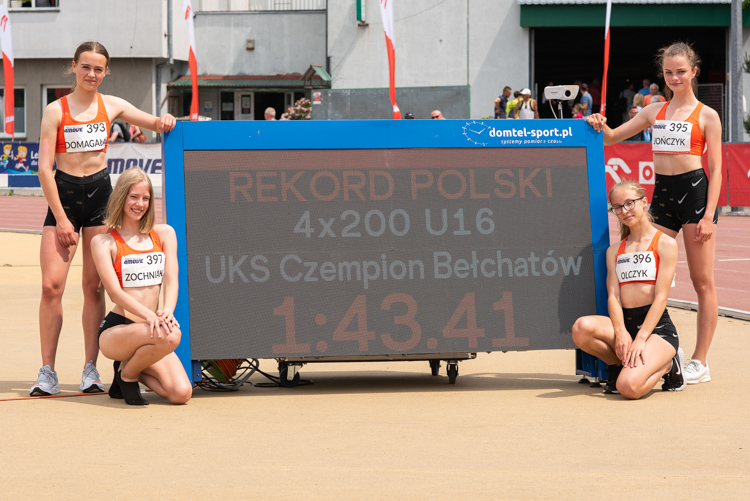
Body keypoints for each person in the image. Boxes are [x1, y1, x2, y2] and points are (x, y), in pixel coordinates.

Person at [30, 41, 176, 396]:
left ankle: (90, 369)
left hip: (99, 197)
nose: (91, 74)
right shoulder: (55, 110)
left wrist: (165, 120)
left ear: (105, 72)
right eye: (85, 67)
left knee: (94, 287)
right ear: (74, 68)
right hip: (63, 199)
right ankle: (47, 370)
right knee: (52, 287)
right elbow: (44, 170)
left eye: (98, 69)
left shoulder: (112, 106)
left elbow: (155, 122)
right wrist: (62, 220)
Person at [585, 42, 721, 385]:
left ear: (694, 72)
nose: (675, 77)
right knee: (640, 270)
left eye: (681, 71)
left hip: (695, 195)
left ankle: (700, 361)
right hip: (661, 194)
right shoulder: (653, 111)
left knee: (702, 282)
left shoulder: (707, 115)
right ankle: (653, 341)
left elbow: (717, 170)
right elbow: (612, 138)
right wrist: (597, 123)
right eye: (668, 72)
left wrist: (708, 216)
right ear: (663, 75)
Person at [573, 181, 685, 399]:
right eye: (617, 207)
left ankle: (668, 365)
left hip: (656, 330)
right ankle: (618, 365)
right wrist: (621, 331)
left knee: (628, 388)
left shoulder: (665, 244)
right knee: (580, 328)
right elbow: (614, 297)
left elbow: (661, 297)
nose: (624, 211)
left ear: (644, 202)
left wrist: (642, 338)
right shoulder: (614, 251)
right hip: (626, 324)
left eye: (629, 203)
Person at [91, 168, 192, 405]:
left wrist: (166, 311)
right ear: (121, 198)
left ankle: (127, 370)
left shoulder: (164, 234)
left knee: (181, 393)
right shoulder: (104, 242)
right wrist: (150, 316)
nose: (140, 204)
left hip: (153, 330)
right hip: (119, 330)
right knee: (172, 335)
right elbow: (114, 292)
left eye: (145, 198)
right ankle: (129, 376)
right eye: (133, 197)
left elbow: (172, 280)